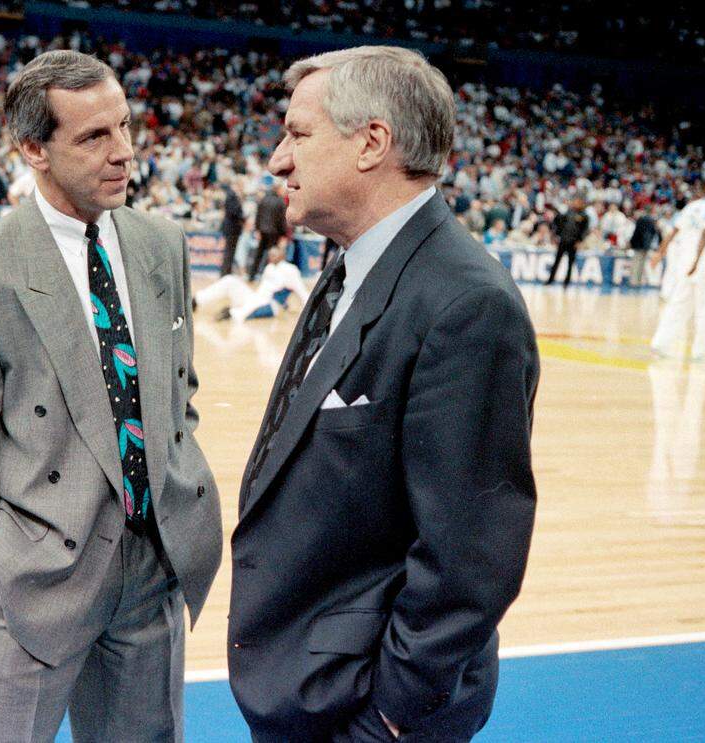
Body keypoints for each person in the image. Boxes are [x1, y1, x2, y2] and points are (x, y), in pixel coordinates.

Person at [227, 46, 539, 743]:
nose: (278, 159)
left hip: (367, 711)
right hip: (306, 690)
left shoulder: (465, 303)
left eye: (298, 135)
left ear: (372, 143)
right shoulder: (354, 267)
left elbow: (468, 559)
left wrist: (390, 718)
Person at [0, 50, 222, 743]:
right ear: (33, 149)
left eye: (124, 127)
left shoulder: (162, 241)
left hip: (152, 566)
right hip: (36, 578)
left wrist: (176, 499)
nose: (125, 153)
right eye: (94, 137)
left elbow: (179, 392)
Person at [649, 179, 705, 363]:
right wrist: (697, 261)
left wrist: (659, 253)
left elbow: (672, 232)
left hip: (685, 265)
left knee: (678, 305)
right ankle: (701, 352)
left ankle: (660, 343)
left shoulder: (690, 208)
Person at [195, 246, 310, 321]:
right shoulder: (269, 267)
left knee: (241, 313)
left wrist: (307, 314)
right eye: (270, 254)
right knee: (230, 280)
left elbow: (302, 291)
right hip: (255, 297)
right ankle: (196, 300)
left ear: (282, 255)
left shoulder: (291, 270)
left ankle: (231, 313)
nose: (271, 257)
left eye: (275, 254)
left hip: (269, 304)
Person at [545, 195, 589, 287]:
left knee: (570, 263)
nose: (576, 203)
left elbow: (584, 230)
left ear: (582, 203)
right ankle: (550, 280)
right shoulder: (568, 213)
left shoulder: (584, 216)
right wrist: (556, 236)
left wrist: (580, 241)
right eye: (575, 201)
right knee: (557, 261)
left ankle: (566, 282)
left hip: (574, 243)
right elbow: (558, 224)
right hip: (563, 240)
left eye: (578, 202)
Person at [248, 182, 288, 280]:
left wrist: (257, 229)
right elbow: (281, 219)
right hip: (274, 232)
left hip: (262, 230)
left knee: (259, 253)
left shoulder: (264, 199)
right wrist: (283, 233)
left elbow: (258, 215)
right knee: (272, 254)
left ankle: (251, 275)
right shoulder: (280, 201)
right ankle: (267, 276)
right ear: (278, 190)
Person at [627, 205, 660, 287]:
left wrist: (631, 242)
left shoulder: (641, 219)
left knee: (636, 263)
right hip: (646, 245)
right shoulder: (652, 221)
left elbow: (636, 232)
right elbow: (654, 233)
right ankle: (638, 281)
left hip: (638, 244)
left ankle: (634, 281)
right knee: (641, 264)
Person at [219, 177, 244, 275]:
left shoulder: (232, 195)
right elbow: (233, 211)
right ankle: (225, 273)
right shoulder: (232, 195)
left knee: (230, 251)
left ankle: (227, 272)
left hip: (233, 228)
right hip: (231, 227)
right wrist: (242, 216)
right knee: (229, 251)